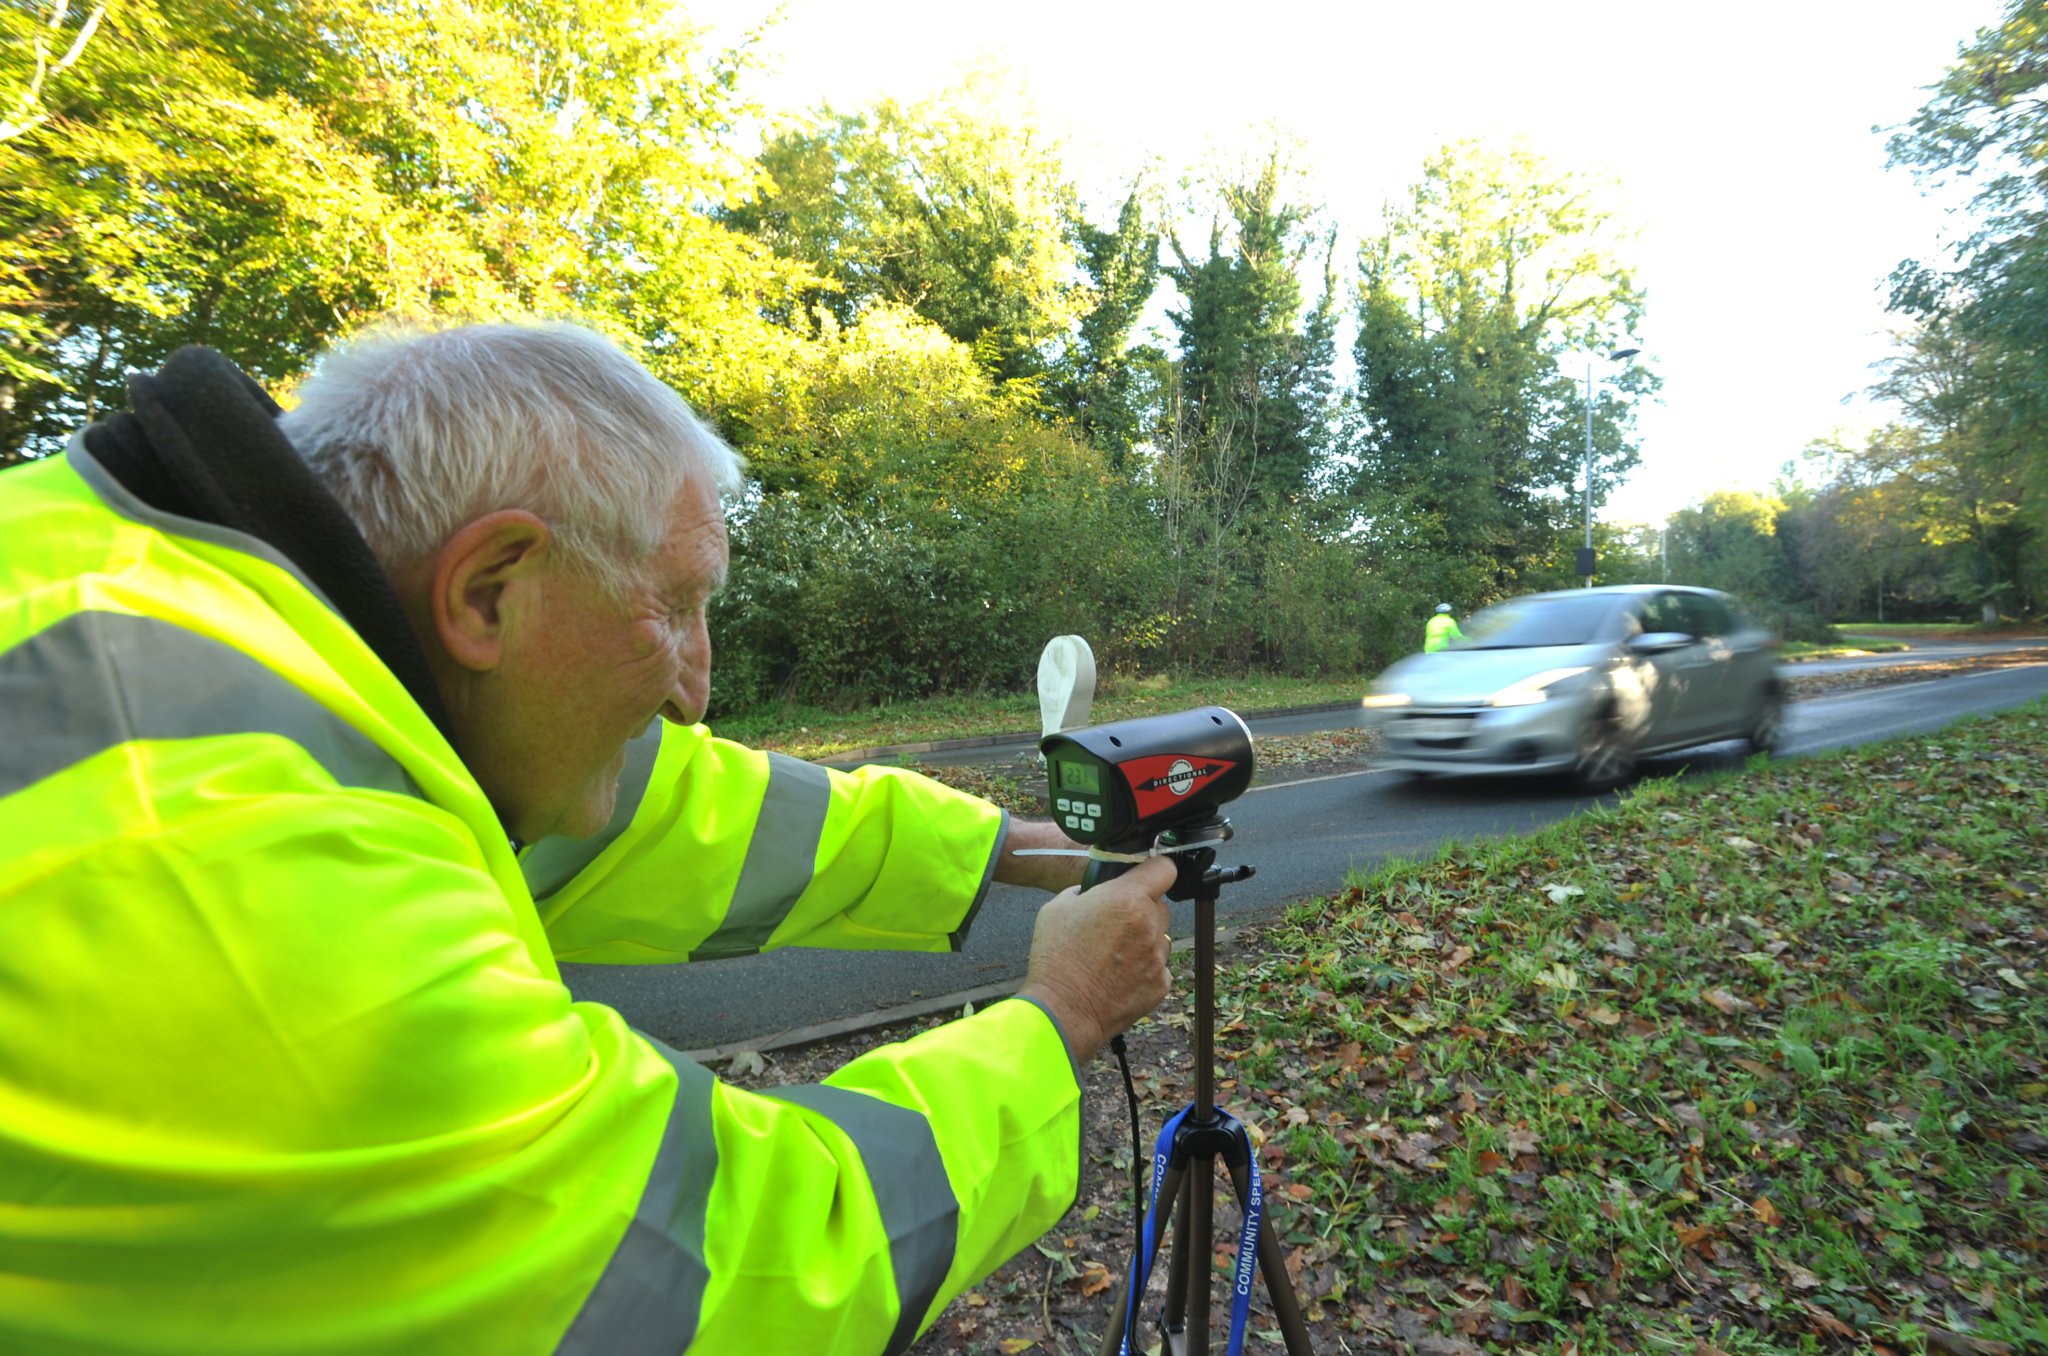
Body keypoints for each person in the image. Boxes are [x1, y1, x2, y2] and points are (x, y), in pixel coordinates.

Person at [0, 321, 1180, 1355]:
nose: (694, 690)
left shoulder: (176, 605)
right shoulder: (232, 869)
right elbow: (724, 1263)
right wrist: (1059, 1016)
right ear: (486, 591)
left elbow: (676, 812)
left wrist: (1004, 849)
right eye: (672, 609)